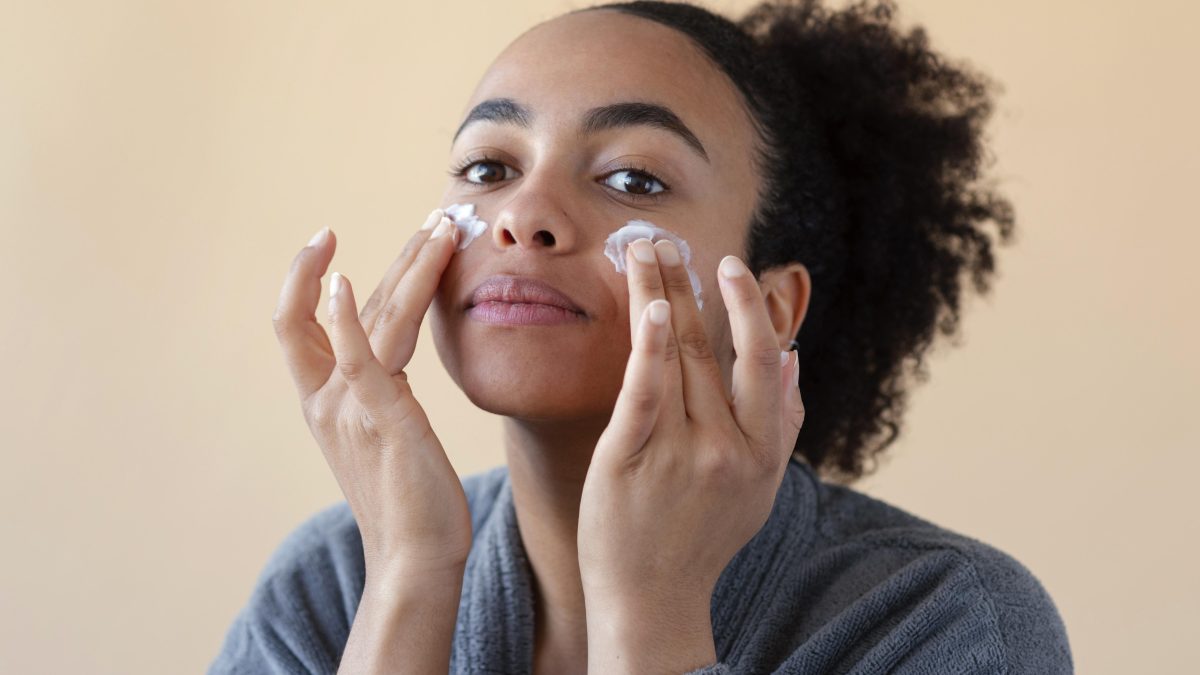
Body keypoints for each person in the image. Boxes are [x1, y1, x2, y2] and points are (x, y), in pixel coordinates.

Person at [211, 1, 1073, 672]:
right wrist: (408, 573)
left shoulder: (941, 615)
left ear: (771, 308)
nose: (524, 215)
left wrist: (649, 613)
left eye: (632, 177)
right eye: (489, 168)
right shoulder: (332, 583)